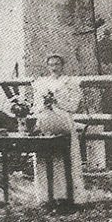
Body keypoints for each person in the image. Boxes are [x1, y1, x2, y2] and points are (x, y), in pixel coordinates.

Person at [28, 53, 85, 207]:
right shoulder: (41, 84)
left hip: (62, 121)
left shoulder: (69, 83)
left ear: (62, 66)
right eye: (51, 65)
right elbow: (35, 107)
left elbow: (73, 105)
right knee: (44, 156)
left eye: (57, 64)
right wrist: (44, 104)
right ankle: (46, 196)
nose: (54, 68)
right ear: (48, 67)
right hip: (45, 121)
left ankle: (66, 196)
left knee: (63, 157)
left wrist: (56, 101)